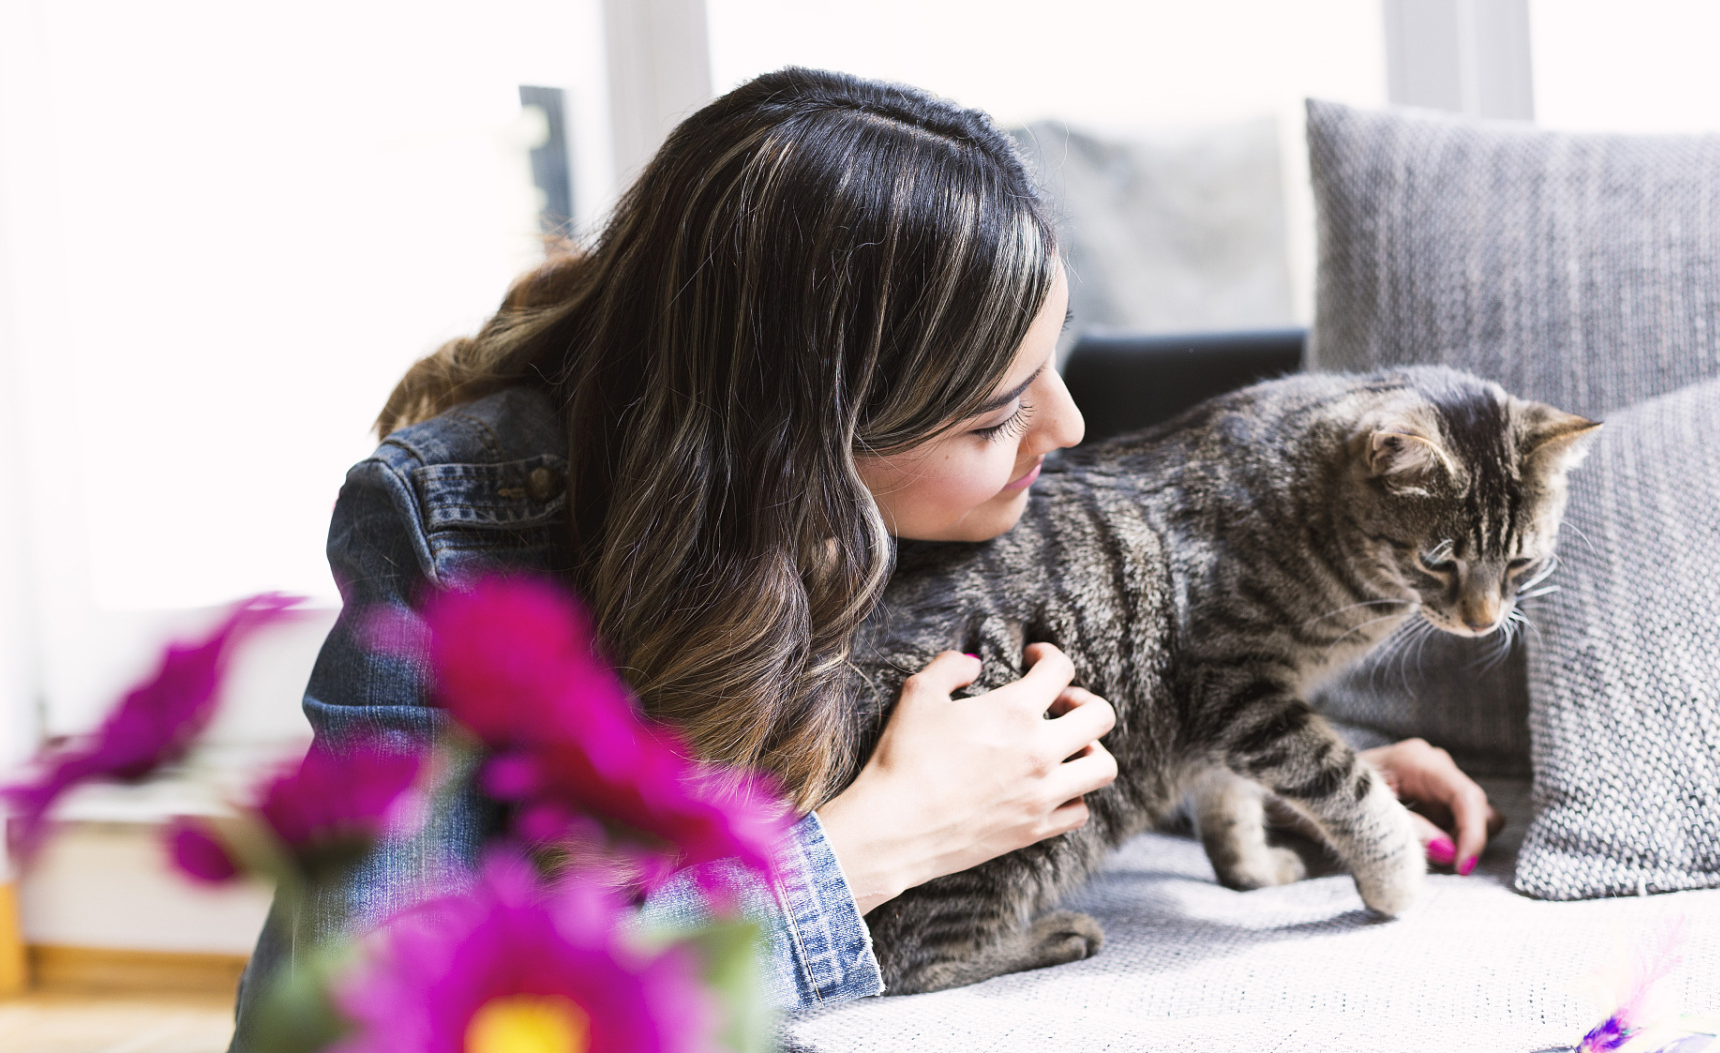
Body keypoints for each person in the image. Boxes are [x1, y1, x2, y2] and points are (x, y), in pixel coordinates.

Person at [233, 69, 1495, 1033]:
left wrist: (1295, 768)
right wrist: (885, 833)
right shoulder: (459, 536)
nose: (1068, 425)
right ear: (809, 451)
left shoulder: (892, 514)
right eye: (996, 412)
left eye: (1052, 361)